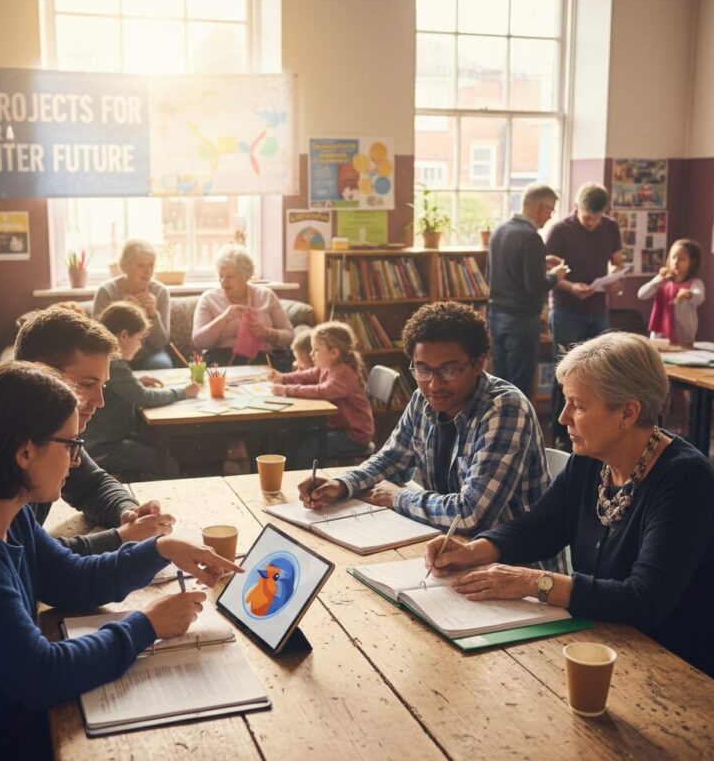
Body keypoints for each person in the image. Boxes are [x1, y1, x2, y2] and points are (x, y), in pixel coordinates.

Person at [0, 362, 241, 759]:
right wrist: (148, 624)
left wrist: (160, 550)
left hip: (4, 716)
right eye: (71, 445)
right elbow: (41, 675)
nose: (75, 461)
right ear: (23, 452)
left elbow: (69, 579)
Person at [425, 332, 714, 677]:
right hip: (604, 640)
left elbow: (644, 599)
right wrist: (474, 550)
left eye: (577, 405)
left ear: (627, 412)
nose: (562, 418)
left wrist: (535, 582)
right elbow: (541, 528)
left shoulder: (685, 477)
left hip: (671, 665)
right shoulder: (593, 458)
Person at [0, 305, 174, 554]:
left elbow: (91, 484)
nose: (100, 402)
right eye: (86, 384)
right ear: (41, 375)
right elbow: (33, 560)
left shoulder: (41, 420)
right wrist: (124, 537)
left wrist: (128, 513)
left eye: (102, 386)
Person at [298, 302, 555, 550]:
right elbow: (391, 459)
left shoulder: (505, 409)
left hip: (515, 568)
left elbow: (470, 515)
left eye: (449, 370)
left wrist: (397, 497)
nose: (434, 384)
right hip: (446, 547)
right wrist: (342, 485)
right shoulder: (423, 399)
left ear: (479, 363)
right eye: (423, 369)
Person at [545, 183, 625, 449]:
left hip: (597, 309)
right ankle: (560, 433)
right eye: (587, 217)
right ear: (576, 207)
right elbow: (546, 274)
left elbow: (619, 263)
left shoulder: (610, 227)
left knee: (599, 373)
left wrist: (617, 281)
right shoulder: (559, 230)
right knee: (566, 372)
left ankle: (593, 430)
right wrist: (571, 286)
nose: (591, 223)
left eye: (597, 218)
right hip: (566, 308)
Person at [84, 301, 200, 479]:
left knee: (161, 449)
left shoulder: (104, 357)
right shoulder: (114, 363)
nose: (140, 346)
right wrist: (184, 392)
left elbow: (118, 386)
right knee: (166, 463)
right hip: (102, 448)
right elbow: (143, 396)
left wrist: (135, 381)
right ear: (124, 335)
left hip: (103, 441)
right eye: (139, 338)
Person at [487, 183, 569, 399]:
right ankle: (519, 431)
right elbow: (534, 286)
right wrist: (555, 276)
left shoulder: (499, 230)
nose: (550, 217)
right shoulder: (531, 237)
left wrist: (539, 261)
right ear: (541, 207)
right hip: (521, 320)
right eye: (550, 211)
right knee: (519, 386)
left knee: (499, 382)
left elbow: (499, 271)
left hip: (495, 315)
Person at [269, 322, 374, 468]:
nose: (311, 354)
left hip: (353, 435)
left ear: (334, 353)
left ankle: (301, 481)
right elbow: (306, 375)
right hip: (339, 427)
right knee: (295, 433)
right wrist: (283, 378)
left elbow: (322, 391)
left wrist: (286, 389)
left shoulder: (343, 373)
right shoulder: (328, 367)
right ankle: (288, 471)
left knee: (309, 447)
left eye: (316, 350)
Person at [192, 245, 294, 371]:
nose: (223, 281)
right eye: (220, 276)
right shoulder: (208, 299)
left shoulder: (266, 295)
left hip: (263, 358)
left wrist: (267, 333)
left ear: (245, 276)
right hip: (221, 359)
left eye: (230, 277)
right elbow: (198, 340)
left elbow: (289, 335)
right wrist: (223, 319)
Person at [93, 239, 172, 369]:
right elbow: (98, 339)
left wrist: (152, 313)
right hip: (115, 355)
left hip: (149, 354)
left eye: (151, 265)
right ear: (124, 266)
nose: (147, 272)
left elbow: (160, 343)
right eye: (141, 266)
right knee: (110, 366)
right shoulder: (106, 291)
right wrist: (125, 313)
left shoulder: (160, 292)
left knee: (161, 364)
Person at [637, 239, 705, 344]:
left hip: (683, 334)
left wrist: (688, 294)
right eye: (673, 257)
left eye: (682, 259)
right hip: (659, 333)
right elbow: (641, 294)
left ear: (692, 262)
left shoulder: (695, 283)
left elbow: (699, 297)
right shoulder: (662, 281)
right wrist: (658, 279)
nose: (676, 262)